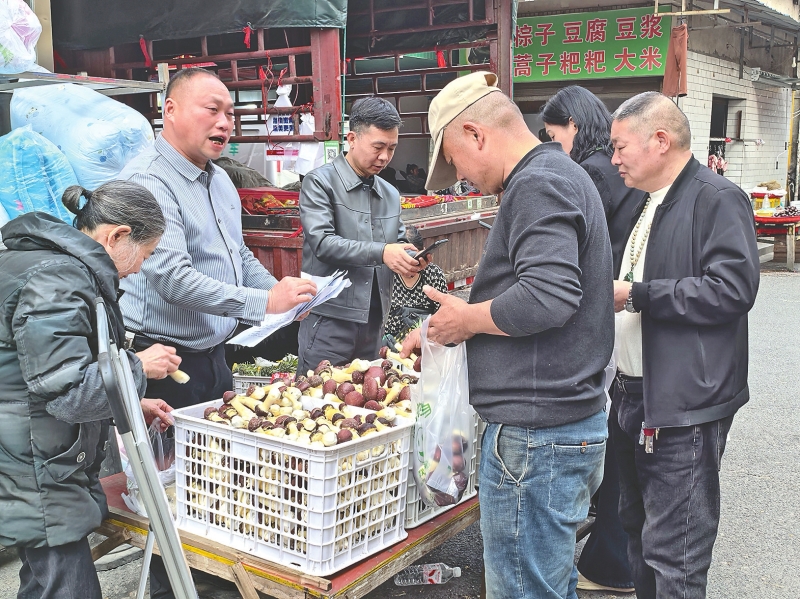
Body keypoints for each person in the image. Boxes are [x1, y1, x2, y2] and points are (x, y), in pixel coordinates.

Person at [401, 71, 614, 599]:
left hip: (536, 437)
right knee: (547, 581)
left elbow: (549, 295)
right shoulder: (554, 175)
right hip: (555, 429)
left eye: (454, 160)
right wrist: (443, 326)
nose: (461, 177)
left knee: (525, 589)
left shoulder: (540, 182)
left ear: (476, 134)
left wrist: (465, 320)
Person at [117, 67, 316, 598]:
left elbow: (237, 256)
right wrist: (259, 302)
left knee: (217, 478)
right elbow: (174, 277)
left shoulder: (220, 178)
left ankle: (216, 583)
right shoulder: (148, 184)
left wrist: (279, 298)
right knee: (169, 493)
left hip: (211, 353)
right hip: (161, 360)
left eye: (230, 112)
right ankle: (172, 588)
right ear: (171, 111)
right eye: (213, 109)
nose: (226, 122)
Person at [609, 92, 759, 599]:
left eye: (619, 146)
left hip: (684, 403)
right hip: (634, 393)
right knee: (638, 532)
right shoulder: (651, 198)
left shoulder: (716, 197)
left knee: (678, 555)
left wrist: (638, 294)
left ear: (660, 140)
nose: (614, 159)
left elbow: (733, 289)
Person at [0, 182, 178, 599]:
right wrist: (138, 368)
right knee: (67, 587)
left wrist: (131, 402)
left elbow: (47, 374)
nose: (138, 270)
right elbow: (68, 394)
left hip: (28, 453)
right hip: (36, 466)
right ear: (116, 235)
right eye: (145, 255)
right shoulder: (58, 280)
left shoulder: (41, 264)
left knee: (45, 581)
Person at [542, 85, 643, 593]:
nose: (552, 145)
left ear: (573, 127)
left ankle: (606, 560)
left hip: (603, 309)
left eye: (553, 133)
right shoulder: (619, 173)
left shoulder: (590, 175)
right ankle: (614, 554)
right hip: (623, 309)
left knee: (607, 435)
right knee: (620, 440)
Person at [297, 96, 424, 374]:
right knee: (316, 398)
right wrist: (382, 252)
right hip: (330, 320)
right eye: (378, 147)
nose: (385, 157)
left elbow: (398, 239)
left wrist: (409, 256)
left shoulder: (389, 192)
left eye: (391, 148)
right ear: (352, 138)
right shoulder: (319, 183)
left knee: (367, 403)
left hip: (374, 320)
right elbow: (322, 243)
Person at [384, 225, 448, 340]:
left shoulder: (434, 274)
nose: (409, 268)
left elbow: (443, 316)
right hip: (390, 344)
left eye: (415, 260)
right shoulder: (385, 274)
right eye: (404, 261)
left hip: (426, 342)